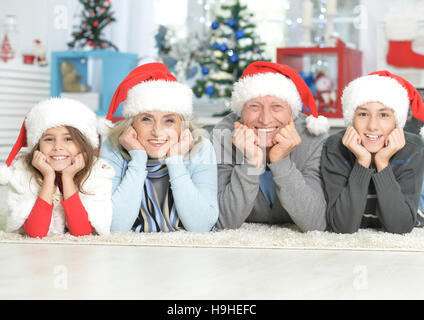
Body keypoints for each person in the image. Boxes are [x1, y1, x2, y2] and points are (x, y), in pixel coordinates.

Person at [99, 62, 218, 233]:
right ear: (131, 123)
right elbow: (115, 227)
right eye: (146, 119)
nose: (157, 131)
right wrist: (138, 158)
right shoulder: (113, 148)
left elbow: (202, 227)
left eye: (169, 120)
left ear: (182, 125)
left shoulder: (202, 148)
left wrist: (175, 161)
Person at [213, 61, 330, 231]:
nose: (265, 119)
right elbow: (224, 222)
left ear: (292, 112)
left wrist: (281, 161)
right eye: (254, 106)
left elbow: (315, 224)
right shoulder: (223, 134)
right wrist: (251, 161)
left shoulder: (312, 136)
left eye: (277, 106)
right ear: (240, 112)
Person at [321, 71, 424, 234]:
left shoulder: (412, 148)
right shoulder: (335, 147)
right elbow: (342, 226)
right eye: (363, 114)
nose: (372, 126)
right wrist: (363, 162)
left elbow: (400, 227)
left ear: (397, 121)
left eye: (383, 115)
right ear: (351, 119)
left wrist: (382, 163)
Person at [0, 98, 114, 238]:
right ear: (38, 145)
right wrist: (48, 177)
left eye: (68, 139)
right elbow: (35, 233)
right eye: (49, 139)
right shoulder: (23, 172)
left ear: (83, 144)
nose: (58, 147)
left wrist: (67, 178)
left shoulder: (97, 173)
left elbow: (81, 233)